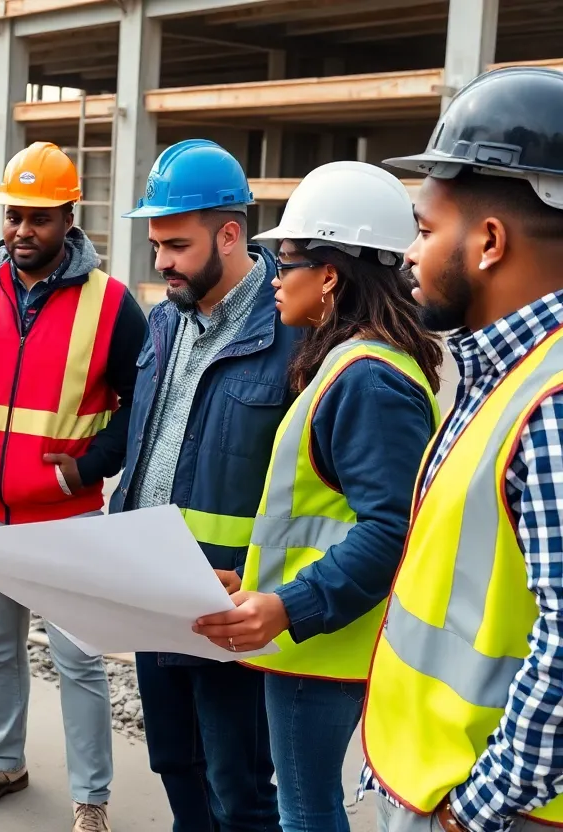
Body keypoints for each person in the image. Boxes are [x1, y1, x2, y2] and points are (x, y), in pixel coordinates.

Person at [190, 161, 442, 832]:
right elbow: (322, 518)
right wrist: (256, 582)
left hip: (323, 648)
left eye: (289, 259)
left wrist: (287, 605)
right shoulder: (354, 362)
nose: (275, 276)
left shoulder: (369, 379)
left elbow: (391, 530)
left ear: (330, 274)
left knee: (305, 811)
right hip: (315, 633)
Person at [358, 65, 563, 832]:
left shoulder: (552, 401)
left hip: (491, 808)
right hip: (435, 778)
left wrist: (478, 809)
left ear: (488, 241)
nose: (407, 254)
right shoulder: (503, 371)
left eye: (422, 228)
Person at [0, 141, 147, 832]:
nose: (21, 231)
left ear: (68, 219)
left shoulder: (111, 305)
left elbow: (142, 403)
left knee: (78, 659)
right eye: (13, 216)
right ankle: (6, 762)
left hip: (68, 517)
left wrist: (88, 466)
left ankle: (91, 799)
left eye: (38, 219)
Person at [107, 138, 300, 832]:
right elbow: (150, 443)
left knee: (241, 790)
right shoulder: (164, 321)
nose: (160, 262)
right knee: (174, 765)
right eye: (156, 244)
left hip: (231, 608)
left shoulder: (293, 336)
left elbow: (313, 496)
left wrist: (263, 587)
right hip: (153, 595)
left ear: (229, 234)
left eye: (177, 245)